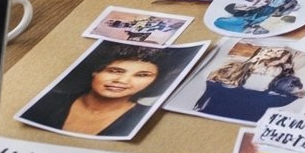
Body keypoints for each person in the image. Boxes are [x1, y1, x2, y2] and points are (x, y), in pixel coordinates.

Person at [20, 44, 186, 139]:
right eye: (115, 71)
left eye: (142, 75)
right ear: (96, 71)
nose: (122, 81)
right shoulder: (47, 101)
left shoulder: (149, 120)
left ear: (154, 81)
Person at [192, 45, 305, 124]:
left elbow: (284, 97)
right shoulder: (233, 69)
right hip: (215, 113)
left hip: (245, 118)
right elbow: (211, 85)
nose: (280, 63)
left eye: (283, 62)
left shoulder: (282, 79)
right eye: (276, 59)